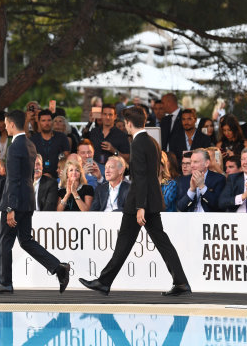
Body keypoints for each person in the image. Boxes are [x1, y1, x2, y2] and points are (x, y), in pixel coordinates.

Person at [79, 106, 191, 297]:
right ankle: (180, 282)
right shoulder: (152, 142)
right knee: (156, 242)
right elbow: (149, 175)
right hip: (149, 199)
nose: (126, 128)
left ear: (129, 124)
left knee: (128, 242)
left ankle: (104, 282)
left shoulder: (138, 143)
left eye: (126, 125)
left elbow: (140, 176)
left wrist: (141, 206)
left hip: (140, 202)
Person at [0, 110, 70, 294]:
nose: (5, 126)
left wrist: (10, 207)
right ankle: (58, 268)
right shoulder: (30, 144)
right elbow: (28, 176)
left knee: (4, 241)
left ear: (12, 124)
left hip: (15, 202)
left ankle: (4, 282)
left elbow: (13, 179)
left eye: (6, 123)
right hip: (27, 200)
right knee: (25, 240)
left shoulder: (15, 146)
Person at [87, 104, 130, 175]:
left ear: (115, 116)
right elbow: (88, 152)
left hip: (113, 174)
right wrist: (89, 169)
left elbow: (127, 158)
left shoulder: (121, 135)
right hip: (94, 172)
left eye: (110, 115)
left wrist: (114, 150)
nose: (107, 117)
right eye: (105, 114)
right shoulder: (94, 132)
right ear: (101, 115)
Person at [30, 110, 71, 178]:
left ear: (52, 121)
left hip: (58, 176)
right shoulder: (33, 139)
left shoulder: (61, 137)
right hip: (39, 177)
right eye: (43, 120)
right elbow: (30, 160)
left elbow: (67, 158)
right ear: (39, 122)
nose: (47, 123)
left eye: (49, 120)